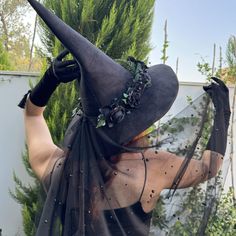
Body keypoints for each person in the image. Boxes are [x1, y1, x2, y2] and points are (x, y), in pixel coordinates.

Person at [20, 1, 231, 235]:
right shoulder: (153, 167)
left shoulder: (57, 169)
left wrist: (48, 81)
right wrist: (223, 113)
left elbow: (32, 116)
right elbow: (208, 168)